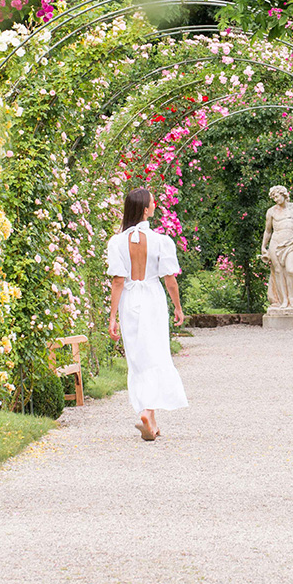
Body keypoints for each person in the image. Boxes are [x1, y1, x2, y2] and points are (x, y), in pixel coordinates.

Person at [106, 188, 188, 441]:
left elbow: (118, 281)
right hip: (152, 298)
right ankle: (148, 413)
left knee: (138, 358)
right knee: (156, 354)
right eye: (153, 202)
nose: (155, 205)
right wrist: (177, 306)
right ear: (145, 209)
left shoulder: (116, 242)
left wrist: (112, 317)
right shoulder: (162, 241)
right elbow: (169, 279)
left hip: (130, 300)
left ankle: (147, 414)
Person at [260, 185, 293, 311]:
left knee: (291, 270)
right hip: (275, 243)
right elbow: (268, 231)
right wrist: (263, 246)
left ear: (283, 194)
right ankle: (284, 300)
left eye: (276, 196)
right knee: (278, 271)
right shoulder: (271, 211)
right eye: (273, 198)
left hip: (291, 243)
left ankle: (292, 298)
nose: (275, 200)